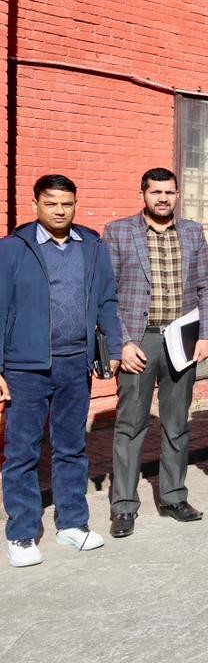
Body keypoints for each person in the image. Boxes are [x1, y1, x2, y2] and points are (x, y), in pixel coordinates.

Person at [0, 174, 123, 567]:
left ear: (75, 204)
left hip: (76, 363)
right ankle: (21, 533)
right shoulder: (11, 250)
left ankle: (73, 523)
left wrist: (114, 348)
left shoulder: (91, 246)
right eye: (51, 203)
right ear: (35, 203)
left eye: (66, 203)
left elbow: (106, 300)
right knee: (22, 452)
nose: (59, 210)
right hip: (24, 368)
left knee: (72, 447)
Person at [104, 167, 208, 538]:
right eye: (156, 192)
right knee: (131, 424)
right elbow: (107, 296)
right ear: (144, 194)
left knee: (176, 423)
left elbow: (204, 287)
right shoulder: (119, 232)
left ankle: (172, 496)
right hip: (140, 340)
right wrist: (122, 342)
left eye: (169, 192)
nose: (163, 198)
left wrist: (207, 335)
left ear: (177, 194)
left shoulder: (192, 232)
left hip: (181, 338)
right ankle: (123, 506)